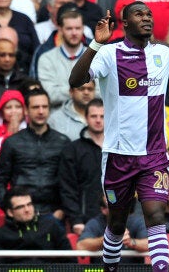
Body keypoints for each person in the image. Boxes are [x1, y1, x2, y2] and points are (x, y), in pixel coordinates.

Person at [68, 1, 169, 272]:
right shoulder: (110, 54)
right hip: (118, 155)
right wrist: (96, 44)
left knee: (155, 216)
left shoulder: (163, 53)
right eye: (139, 14)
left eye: (149, 14)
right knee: (116, 223)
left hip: (154, 155)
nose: (147, 18)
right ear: (124, 23)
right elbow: (76, 80)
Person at [0, 88, 71, 217]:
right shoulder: (12, 143)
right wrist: (10, 208)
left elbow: (70, 182)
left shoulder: (63, 142)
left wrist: (63, 210)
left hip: (54, 213)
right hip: (20, 214)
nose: (40, 111)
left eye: (44, 107)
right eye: (35, 107)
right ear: (26, 110)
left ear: (49, 109)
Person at [0, 187, 75, 264]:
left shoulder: (51, 225)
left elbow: (70, 260)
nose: (27, 210)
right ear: (10, 212)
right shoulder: (0, 235)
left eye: (29, 204)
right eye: (20, 207)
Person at [58, 98, 104, 235]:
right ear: (86, 118)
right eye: (94, 116)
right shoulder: (72, 149)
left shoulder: (119, 148)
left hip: (117, 219)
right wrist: (76, 219)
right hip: (85, 220)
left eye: (102, 116)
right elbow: (67, 188)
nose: (98, 120)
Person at [38, 9, 90, 109]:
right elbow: (50, 95)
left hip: (92, 118)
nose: (74, 33)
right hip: (57, 119)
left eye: (78, 28)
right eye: (69, 29)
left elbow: (101, 92)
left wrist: (65, 90)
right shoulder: (46, 59)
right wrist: (84, 90)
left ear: (83, 29)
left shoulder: (96, 57)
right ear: (60, 30)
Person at [76, 195, 148, 263]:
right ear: (103, 209)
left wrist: (131, 242)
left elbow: (150, 245)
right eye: (113, 207)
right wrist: (107, 238)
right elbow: (80, 246)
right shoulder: (96, 222)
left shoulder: (137, 221)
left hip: (133, 269)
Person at [0, 90, 26, 170]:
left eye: (18, 107)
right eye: (8, 107)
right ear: (2, 112)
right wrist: (10, 134)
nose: (13, 111)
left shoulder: (30, 129)